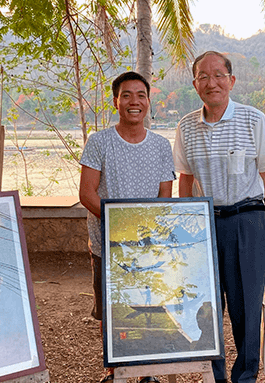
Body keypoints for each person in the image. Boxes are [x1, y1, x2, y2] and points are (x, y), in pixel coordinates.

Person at [173, 51, 265, 383]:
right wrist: (186, 227)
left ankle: (245, 376)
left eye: (218, 75)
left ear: (231, 81)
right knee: (207, 307)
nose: (211, 82)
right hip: (205, 223)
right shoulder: (186, 126)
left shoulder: (253, 119)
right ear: (195, 84)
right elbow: (186, 181)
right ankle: (214, 375)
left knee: (246, 306)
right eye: (203, 76)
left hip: (249, 219)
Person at [79, 71, 176, 383]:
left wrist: (146, 231)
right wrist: (121, 226)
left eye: (141, 95)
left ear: (148, 102)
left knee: (148, 306)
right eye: (127, 95)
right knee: (111, 310)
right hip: (108, 244)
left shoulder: (161, 145)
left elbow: (165, 196)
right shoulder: (98, 142)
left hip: (148, 245)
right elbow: (87, 193)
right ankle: (115, 370)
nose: (135, 101)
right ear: (115, 101)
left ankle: (147, 371)